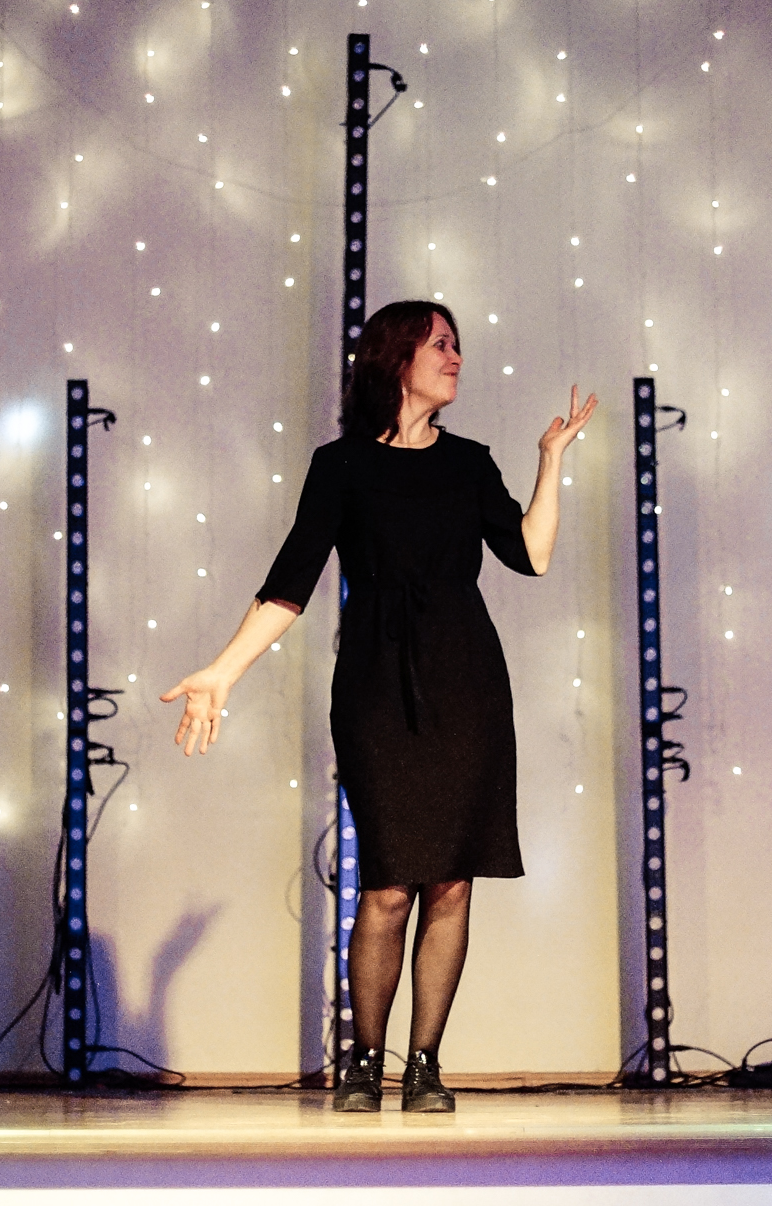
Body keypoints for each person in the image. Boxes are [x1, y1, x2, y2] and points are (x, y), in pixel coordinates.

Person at [161, 300, 595, 1114]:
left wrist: (550, 460)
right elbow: (289, 581)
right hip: (375, 687)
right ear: (397, 358)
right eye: (441, 345)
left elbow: (530, 554)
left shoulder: (468, 463)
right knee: (389, 883)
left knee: (453, 883)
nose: (456, 358)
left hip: (466, 684)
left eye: (458, 346)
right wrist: (222, 671)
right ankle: (363, 1060)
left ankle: (424, 1065)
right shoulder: (342, 466)